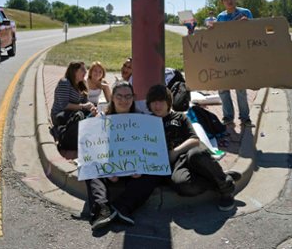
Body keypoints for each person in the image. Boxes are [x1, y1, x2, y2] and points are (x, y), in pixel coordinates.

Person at [146, 84, 241, 211]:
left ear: (168, 102)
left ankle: (225, 189)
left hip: (189, 152)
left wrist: (175, 152)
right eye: (154, 102)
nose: (157, 106)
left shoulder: (180, 117)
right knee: (182, 185)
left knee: (197, 155)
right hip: (174, 165)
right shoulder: (146, 122)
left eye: (161, 102)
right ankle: (220, 178)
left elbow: (194, 140)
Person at [84, 81, 163, 230]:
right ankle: (102, 209)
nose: (124, 100)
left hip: (133, 171)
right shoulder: (101, 118)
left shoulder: (142, 119)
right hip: (109, 168)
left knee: (155, 170)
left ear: (133, 98)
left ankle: (122, 207)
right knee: (89, 165)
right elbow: (94, 150)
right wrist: (108, 171)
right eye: (119, 96)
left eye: (128, 96)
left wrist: (140, 167)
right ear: (112, 97)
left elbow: (148, 149)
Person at [216, 0, 253, 126]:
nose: (229, 1)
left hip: (240, 57)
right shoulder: (220, 17)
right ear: (222, 2)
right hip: (224, 58)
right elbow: (218, 38)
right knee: (223, 89)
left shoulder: (246, 13)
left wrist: (247, 24)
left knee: (241, 89)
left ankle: (245, 118)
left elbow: (254, 34)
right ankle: (228, 117)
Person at [50, 61, 97, 128]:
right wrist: (83, 106)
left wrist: (91, 107)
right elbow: (64, 105)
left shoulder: (82, 84)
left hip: (75, 114)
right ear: (74, 71)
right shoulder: (65, 82)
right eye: (82, 69)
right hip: (60, 115)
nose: (86, 72)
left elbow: (85, 101)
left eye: (85, 69)